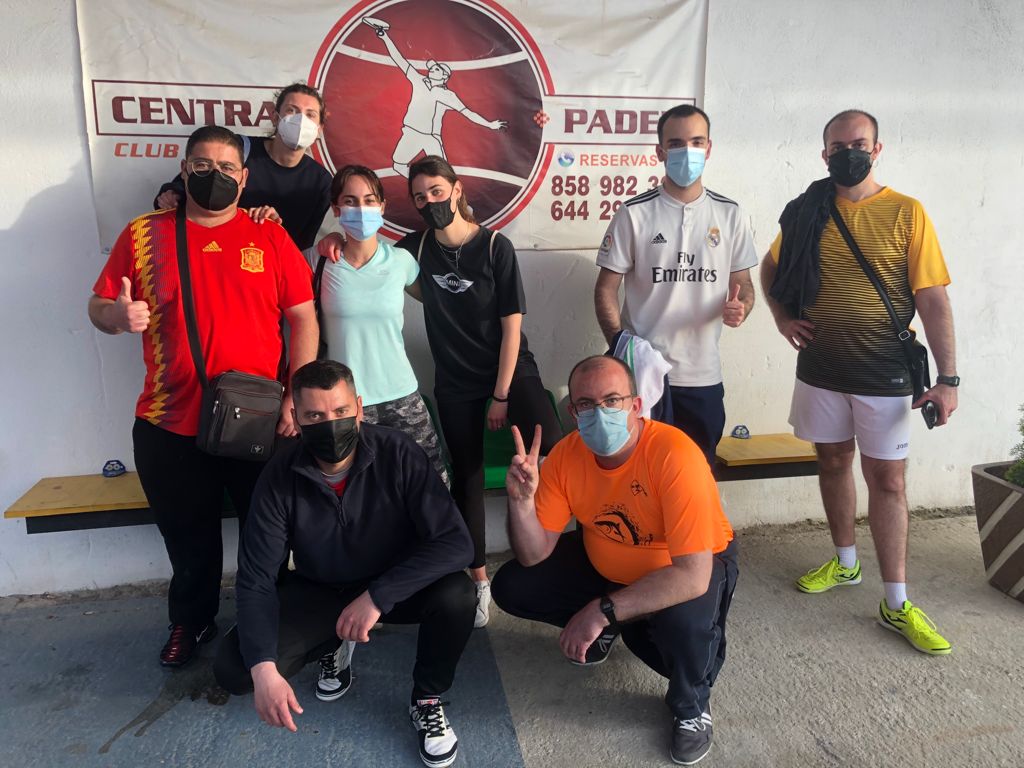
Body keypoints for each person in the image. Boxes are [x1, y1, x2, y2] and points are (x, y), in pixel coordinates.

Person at [88, 125, 318, 666]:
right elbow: (97, 306)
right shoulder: (143, 234)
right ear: (184, 169)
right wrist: (115, 316)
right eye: (202, 165)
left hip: (260, 420)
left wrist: (296, 395)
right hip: (168, 422)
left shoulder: (269, 237)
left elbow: (303, 318)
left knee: (269, 536)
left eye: (226, 167)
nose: (215, 175)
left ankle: (269, 622)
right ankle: (191, 622)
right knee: (188, 540)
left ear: (245, 176)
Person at [760, 109, 958, 655]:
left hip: (883, 370)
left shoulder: (906, 212)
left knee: (888, 481)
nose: (849, 152)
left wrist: (948, 378)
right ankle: (846, 563)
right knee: (831, 462)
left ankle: (896, 602)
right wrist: (782, 318)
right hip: (821, 365)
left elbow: (933, 298)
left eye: (859, 143)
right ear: (824, 154)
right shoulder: (807, 210)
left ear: (877, 148)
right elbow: (771, 267)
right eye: (838, 146)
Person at [213, 360, 475, 768]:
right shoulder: (279, 475)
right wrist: (264, 669)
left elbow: (456, 542)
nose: (330, 425)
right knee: (236, 669)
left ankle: (427, 697)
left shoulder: (398, 452)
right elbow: (256, 578)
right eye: (315, 416)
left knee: (458, 593)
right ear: (296, 417)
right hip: (322, 588)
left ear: (359, 408)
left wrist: (378, 596)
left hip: (391, 588)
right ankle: (334, 641)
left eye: (340, 411)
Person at [492, 355, 738, 766]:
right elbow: (534, 554)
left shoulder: (674, 455)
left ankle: (691, 704)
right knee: (513, 585)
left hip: (686, 566)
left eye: (612, 400)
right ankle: (620, 620)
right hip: (606, 561)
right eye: (586, 404)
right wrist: (521, 503)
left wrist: (601, 611)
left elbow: (693, 576)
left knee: (680, 636)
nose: (600, 412)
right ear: (573, 413)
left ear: (636, 406)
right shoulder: (566, 456)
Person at [395, 155, 563, 628]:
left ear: (457, 189)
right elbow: (371, 259)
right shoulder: (415, 248)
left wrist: (502, 395)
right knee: (466, 476)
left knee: (555, 445)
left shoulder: (493, 247)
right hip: (455, 379)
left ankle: (552, 549)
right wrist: (331, 241)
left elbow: (512, 328)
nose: (429, 201)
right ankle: (479, 580)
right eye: (420, 197)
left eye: (436, 191)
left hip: (509, 370)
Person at [594, 104, 758, 466]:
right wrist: (622, 347)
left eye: (697, 142)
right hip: (642, 377)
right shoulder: (634, 213)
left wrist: (742, 307)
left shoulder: (731, 214)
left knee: (697, 474)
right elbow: (605, 289)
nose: (688, 151)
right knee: (639, 474)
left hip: (702, 376)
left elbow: (744, 284)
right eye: (676, 143)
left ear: (709, 148)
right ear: (660, 151)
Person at [304, 164, 448, 484]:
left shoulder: (401, 262)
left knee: (432, 484)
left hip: (402, 395)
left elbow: (443, 302)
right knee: (359, 493)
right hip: (345, 404)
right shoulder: (317, 260)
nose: (361, 209)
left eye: (369, 200)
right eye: (350, 201)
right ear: (336, 209)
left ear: (382, 206)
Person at [154, 83, 332, 250]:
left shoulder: (321, 182)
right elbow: (184, 186)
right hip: (214, 250)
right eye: (291, 110)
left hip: (266, 264)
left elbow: (304, 245)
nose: (300, 120)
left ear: (320, 128)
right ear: (275, 117)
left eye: (310, 115)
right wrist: (172, 195)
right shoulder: (239, 149)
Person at [363, 17, 507, 177]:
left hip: (430, 137)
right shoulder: (418, 80)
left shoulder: (447, 95)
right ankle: (421, 186)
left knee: (443, 174)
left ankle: (444, 192)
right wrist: (385, 37)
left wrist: (489, 124)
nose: (432, 69)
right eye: (432, 68)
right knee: (398, 165)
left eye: (437, 69)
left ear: (445, 77)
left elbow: (467, 113)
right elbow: (399, 60)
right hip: (411, 132)